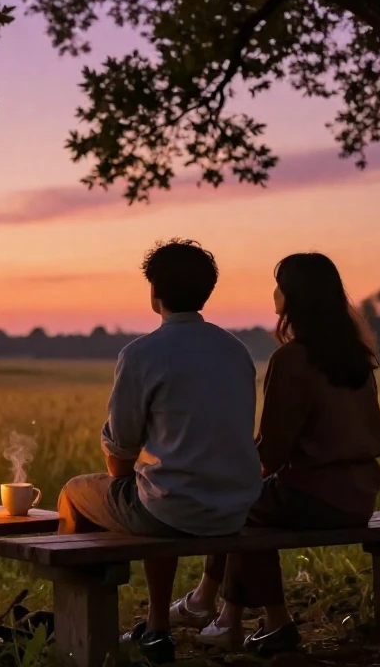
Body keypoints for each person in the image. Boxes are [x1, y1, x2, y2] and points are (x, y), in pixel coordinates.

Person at [56, 239, 262, 664]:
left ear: (155, 293)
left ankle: (81, 622)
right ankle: (155, 626)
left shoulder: (141, 354)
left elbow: (120, 453)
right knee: (154, 491)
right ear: (207, 291)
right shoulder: (236, 351)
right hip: (235, 508)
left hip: (172, 510)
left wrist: (121, 475)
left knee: (78, 493)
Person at [171, 252, 380, 655]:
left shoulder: (292, 359)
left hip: (314, 495)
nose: (274, 292)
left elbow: (272, 452)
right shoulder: (356, 357)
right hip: (360, 494)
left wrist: (223, 470)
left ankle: (254, 614)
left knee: (233, 506)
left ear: (293, 298)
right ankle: (228, 618)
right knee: (246, 504)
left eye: (279, 285)